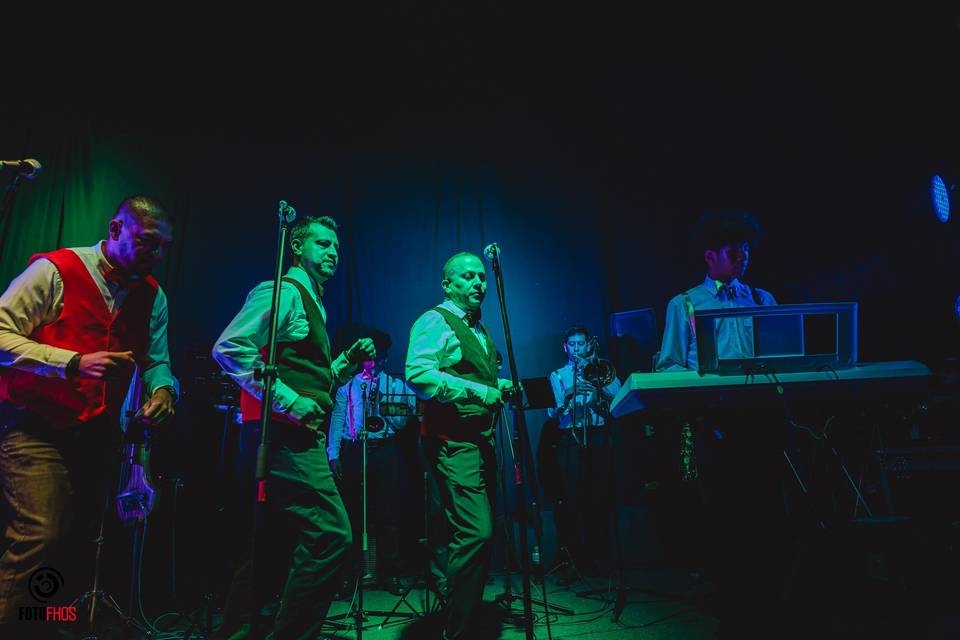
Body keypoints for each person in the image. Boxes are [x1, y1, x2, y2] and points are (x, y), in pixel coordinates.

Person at [0, 195, 178, 632]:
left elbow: (156, 358)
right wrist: (73, 361)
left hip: (97, 431)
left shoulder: (153, 295)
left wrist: (163, 389)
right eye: (146, 243)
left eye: (161, 247)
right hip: (34, 423)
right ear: (115, 231)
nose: (155, 255)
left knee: (83, 542)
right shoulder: (55, 271)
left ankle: (43, 625)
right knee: (41, 531)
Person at [211, 214, 375, 640]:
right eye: (322, 244)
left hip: (295, 435)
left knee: (269, 543)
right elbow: (229, 348)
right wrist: (289, 400)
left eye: (336, 247)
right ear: (298, 246)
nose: (333, 252)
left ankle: (238, 629)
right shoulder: (282, 292)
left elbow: (309, 380)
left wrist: (342, 365)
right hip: (281, 437)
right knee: (331, 534)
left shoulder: (313, 301)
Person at [406, 251, 514, 640]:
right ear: (447, 283)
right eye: (467, 277)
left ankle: (463, 619)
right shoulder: (435, 320)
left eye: (482, 277)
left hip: (480, 443)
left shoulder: (480, 330)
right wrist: (477, 391)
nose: (478, 283)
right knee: (476, 533)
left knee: (475, 535)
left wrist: (496, 387)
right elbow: (418, 374)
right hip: (453, 444)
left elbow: (471, 377)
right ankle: (458, 630)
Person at [327, 327, 416, 594]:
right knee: (352, 514)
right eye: (370, 358)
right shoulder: (347, 386)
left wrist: (385, 406)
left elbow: (401, 424)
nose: (374, 363)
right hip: (355, 449)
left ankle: (390, 573)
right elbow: (338, 419)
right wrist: (333, 453)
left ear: (385, 358)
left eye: (379, 358)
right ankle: (349, 576)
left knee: (388, 514)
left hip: (386, 449)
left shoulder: (396, 385)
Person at [655, 211, 776, 372]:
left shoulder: (763, 299)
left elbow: (779, 356)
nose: (743, 257)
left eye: (745, 249)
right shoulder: (683, 304)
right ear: (710, 257)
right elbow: (668, 365)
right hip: (709, 396)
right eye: (733, 252)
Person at [547, 325, 621, 584]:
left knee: (600, 496)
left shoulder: (601, 368)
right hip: (572, 437)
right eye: (572, 344)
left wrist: (597, 386)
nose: (577, 349)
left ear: (589, 344)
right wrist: (568, 395)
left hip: (598, 434)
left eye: (581, 344)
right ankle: (575, 561)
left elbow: (620, 399)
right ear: (565, 347)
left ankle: (601, 560)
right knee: (573, 498)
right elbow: (553, 414)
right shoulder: (557, 375)